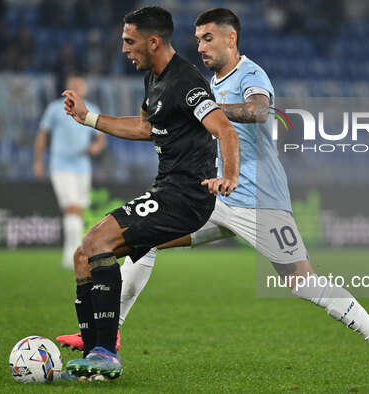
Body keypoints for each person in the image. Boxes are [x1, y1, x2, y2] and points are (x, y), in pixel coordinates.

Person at [57, 8, 369, 385]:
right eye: (198, 40)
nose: (201, 46)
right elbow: (153, 124)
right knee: (145, 241)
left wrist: (199, 108)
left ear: (231, 39)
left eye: (208, 38)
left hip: (260, 201)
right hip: (214, 196)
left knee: (303, 283)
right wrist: (103, 117)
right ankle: (105, 336)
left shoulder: (250, 74)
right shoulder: (202, 82)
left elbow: (259, 111)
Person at [60, 6, 240, 380]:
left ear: (153, 41)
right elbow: (145, 128)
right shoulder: (154, 79)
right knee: (83, 255)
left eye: (130, 41)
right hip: (168, 189)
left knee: (96, 242)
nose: (124, 48)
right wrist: (89, 118)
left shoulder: (185, 82)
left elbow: (225, 129)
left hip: (187, 196)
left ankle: (106, 353)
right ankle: (93, 361)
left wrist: (230, 176)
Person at [33, 74, 106, 270]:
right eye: (72, 84)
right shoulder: (56, 109)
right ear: (66, 88)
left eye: (79, 85)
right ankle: (71, 255)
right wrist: (38, 161)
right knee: (72, 207)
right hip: (61, 165)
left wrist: (96, 148)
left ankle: (76, 252)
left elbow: (101, 139)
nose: (76, 87)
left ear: (85, 89)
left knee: (79, 211)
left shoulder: (92, 109)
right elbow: (42, 135)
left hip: (83, 166)